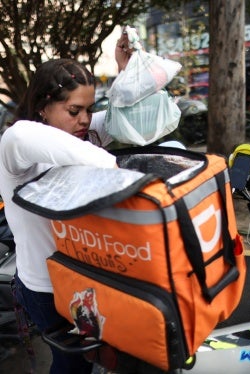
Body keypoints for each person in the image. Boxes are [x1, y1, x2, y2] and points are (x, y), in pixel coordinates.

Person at [0, 31, 132, 373]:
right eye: (74, 110)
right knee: (71, 366)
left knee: (94, 360)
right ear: (43, 105)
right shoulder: (17, 146)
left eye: (89, 110)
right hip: (47, 289)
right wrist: (111, 164)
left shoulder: (81, 136)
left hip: (87, 281)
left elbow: (131, 117)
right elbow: (92, 157)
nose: (85, 120)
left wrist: (126, 72)